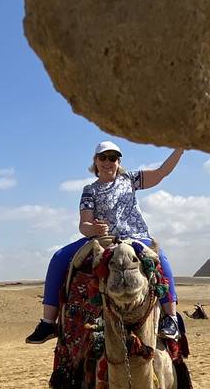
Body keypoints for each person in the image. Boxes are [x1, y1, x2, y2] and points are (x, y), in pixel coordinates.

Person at [26, 140, 183, 344]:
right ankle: (48, 322)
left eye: (113, 158)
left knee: (159, 256)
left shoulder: (130, 179)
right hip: (102, 239)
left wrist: (181, 148)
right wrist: (95, 229)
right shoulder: (90, 190)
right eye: (103, 157)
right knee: (58, 258)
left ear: (119, 162)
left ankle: (171, 318)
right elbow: (84, 224)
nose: (108, 162)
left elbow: (162, 172)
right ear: (96, 161)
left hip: (135, 236)